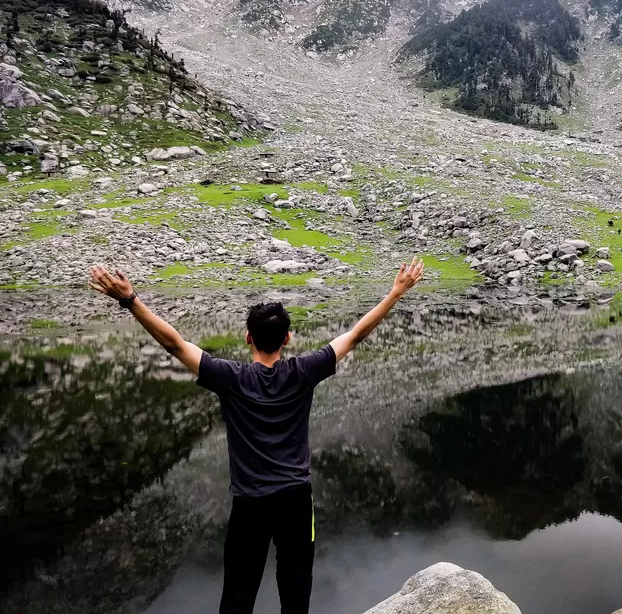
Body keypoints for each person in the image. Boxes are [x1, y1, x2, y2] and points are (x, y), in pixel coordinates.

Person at [88, 257, 425, 614]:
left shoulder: (230, 378)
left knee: (237, 593)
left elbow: (174, 344)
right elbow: (355, 335)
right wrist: (396, 292)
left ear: (248, 337)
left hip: (249, 504)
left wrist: (129, 300)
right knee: (296, 591)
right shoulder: (304, 372)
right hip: (295, 500)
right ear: (288, 338)